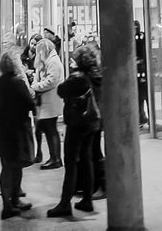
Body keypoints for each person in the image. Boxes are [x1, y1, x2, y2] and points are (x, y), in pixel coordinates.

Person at [47, 45, 101, 218]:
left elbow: (61, 90)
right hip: (92, 123)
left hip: (77, 123)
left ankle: (65, 203)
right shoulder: (96, 75)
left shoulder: (77, 78)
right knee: (87, 160)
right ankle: (87, 199)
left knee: (71, 162)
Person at [0, 48, 35, 219]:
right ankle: (12, 202)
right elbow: (29, 103)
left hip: (2, 126)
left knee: (7, 166)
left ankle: (9, 202)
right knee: (15, 165)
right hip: (17, 128)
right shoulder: (18, 82)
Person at [31, 38, 63, 169]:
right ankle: (53, 157)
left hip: (51, 101)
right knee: (48, 130)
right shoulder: (47, 61)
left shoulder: (53, 62)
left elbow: (51, 81)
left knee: (51, 131)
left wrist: (35, 86)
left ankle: (55, 158)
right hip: (45, 102)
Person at [134, 21, 149, 127]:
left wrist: (139, 61)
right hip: (138, 71)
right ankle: (142, 117)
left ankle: (143, 117)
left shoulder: (141, 38)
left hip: (142, 71)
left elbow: (144, 54)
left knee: (143, 96)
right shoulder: (136, 38)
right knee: (140, 97)